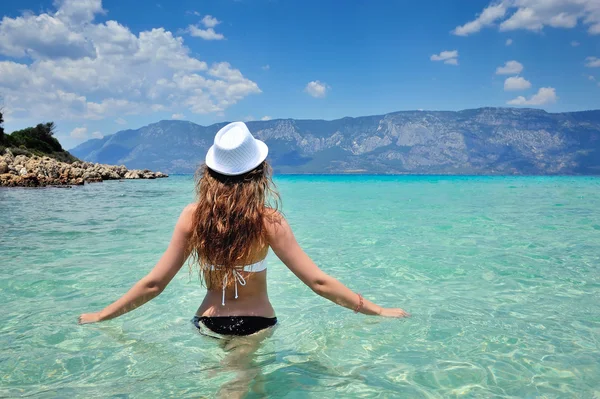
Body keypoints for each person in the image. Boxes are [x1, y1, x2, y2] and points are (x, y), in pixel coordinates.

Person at [78, 121, 409, 337]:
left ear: (209, 172)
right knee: (240, 387)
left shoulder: (193, 217)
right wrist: (376, 310)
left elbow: (153, 284)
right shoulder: (269, 221)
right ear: (260, 171)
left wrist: (102, 316)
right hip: (258, 323)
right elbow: (319, 282)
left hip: (207, 323)